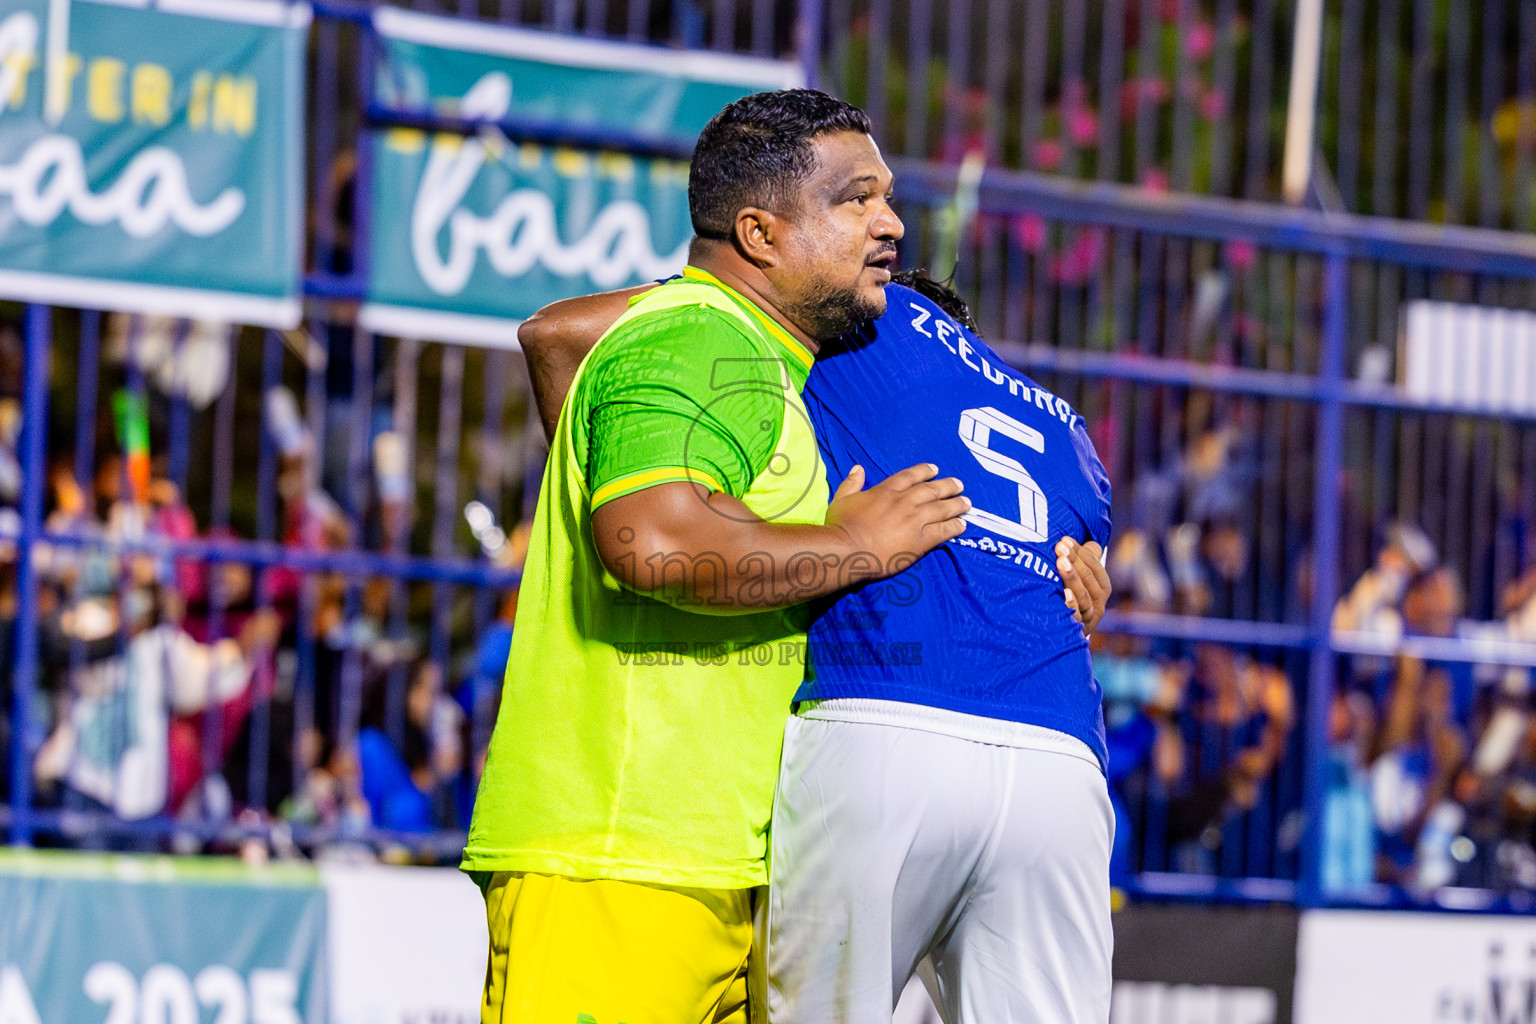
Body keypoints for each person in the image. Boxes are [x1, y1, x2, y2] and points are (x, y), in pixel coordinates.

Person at [463, 90, 975, 1024]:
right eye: (856, 199)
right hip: (622, 859)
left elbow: (553, 334)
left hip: (720, 867)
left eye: (888, 197)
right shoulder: (703, 339)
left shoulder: (748, 351)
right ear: (760, 233)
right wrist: (852, 542)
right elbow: (649, 542)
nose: (892, 223)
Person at [521, 270, 1115, 1018]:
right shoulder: (1068, 428)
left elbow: (561, 330)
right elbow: (1078, 577)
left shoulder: (855, 319)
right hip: (1062, 754)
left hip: (887, 720)